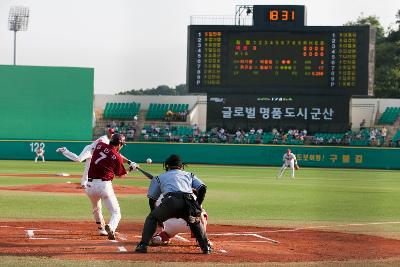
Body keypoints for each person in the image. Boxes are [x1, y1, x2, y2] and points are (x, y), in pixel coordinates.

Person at [135, 154, 211, 254]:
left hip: (171, 202)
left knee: (152, 218)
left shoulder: (159, 178)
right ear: (181, 166)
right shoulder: (189, 174)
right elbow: (203, 188)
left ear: (167, 166)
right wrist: (197, 205)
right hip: (188, 202)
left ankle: (143, 245)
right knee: (195, 221)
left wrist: (156, 216)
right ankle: (205, 247)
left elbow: (152, 199)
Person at [86, 133, 138, 239]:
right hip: (104, 186)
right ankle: (111, 227)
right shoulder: (117, 157)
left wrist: (128, 161)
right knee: (116, 212)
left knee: (96, 208)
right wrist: (131, 169)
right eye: (122, 145)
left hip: (89, 186)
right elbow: (120, 175)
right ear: (119, 144)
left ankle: (101, 229)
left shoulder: (100, 145)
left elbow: (111, 152)